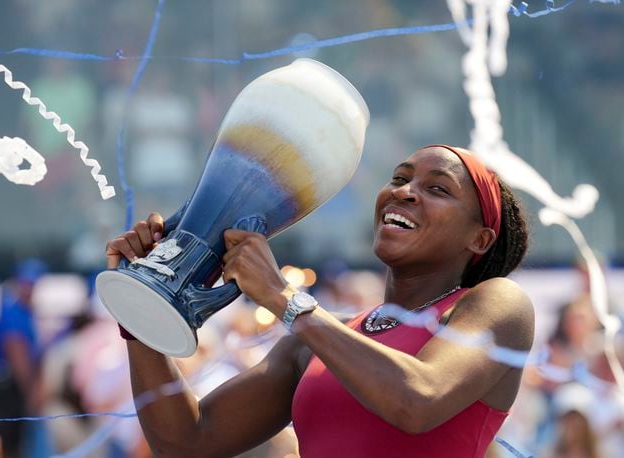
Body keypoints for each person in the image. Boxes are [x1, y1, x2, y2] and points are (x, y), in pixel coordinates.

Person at [105, 145, 534, 457]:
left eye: (438, 189)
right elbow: (185, 442)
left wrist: (283, 297)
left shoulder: (499, 303)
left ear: (479, 239)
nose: (404, 192)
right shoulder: (316, 340)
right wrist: (145, 306)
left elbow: (418, 400)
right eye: (400, 179)